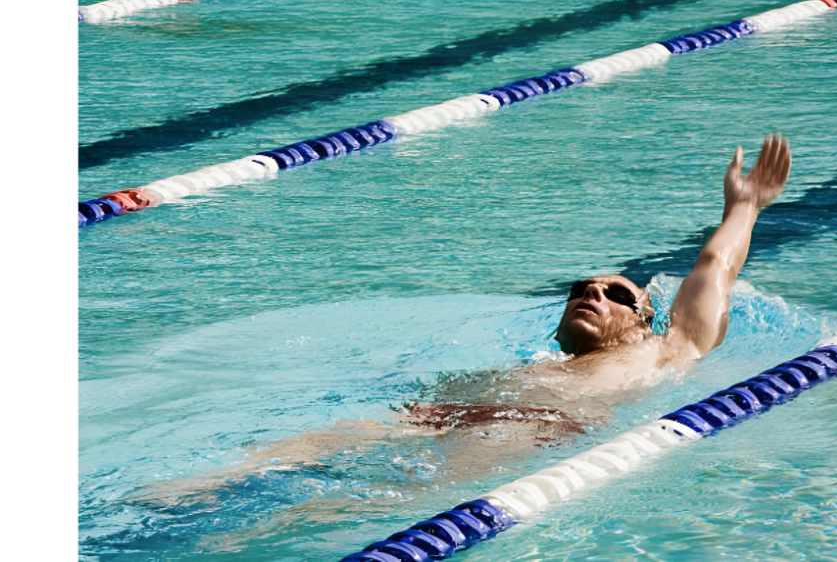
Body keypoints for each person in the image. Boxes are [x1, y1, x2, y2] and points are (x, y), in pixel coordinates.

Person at [142, 134, 791, 499]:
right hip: (432, 414)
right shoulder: (540, 358)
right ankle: (161, 502)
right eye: (581, 287)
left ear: (647, 319)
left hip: (522, 431)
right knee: (264, 458)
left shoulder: (668, 348)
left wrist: (746, 207)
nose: (592, 294)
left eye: (616, 293)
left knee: (340, 503)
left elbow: (714, 269)